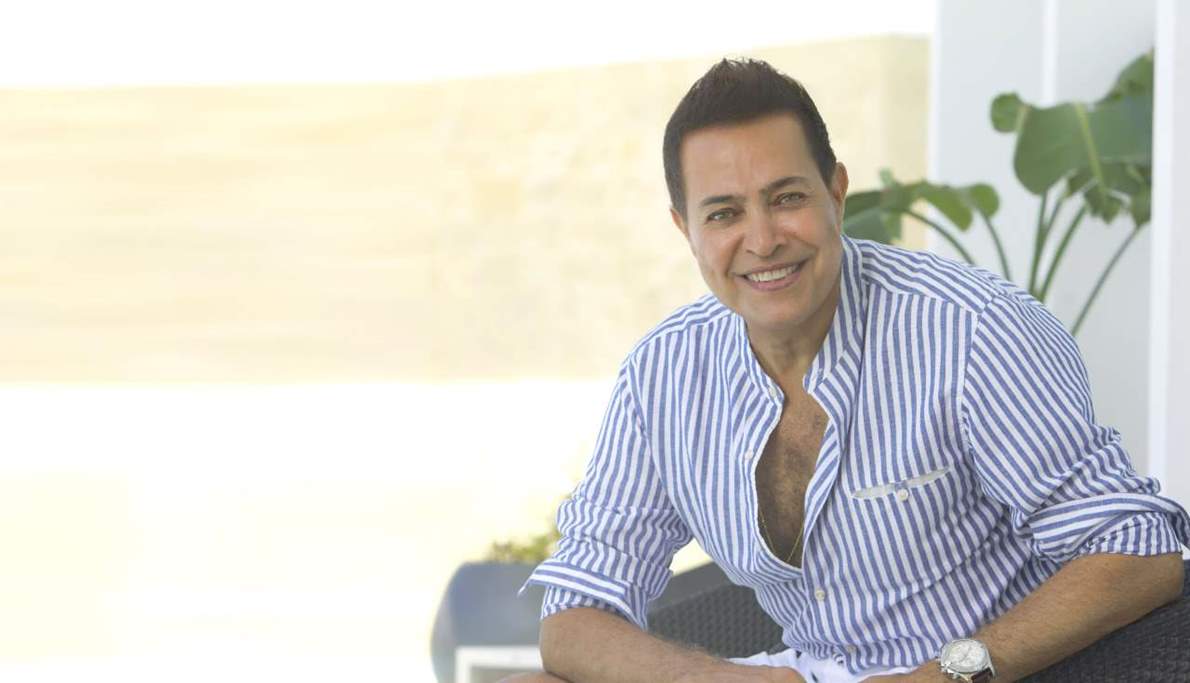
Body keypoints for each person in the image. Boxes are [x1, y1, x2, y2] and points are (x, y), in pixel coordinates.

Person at [505, 58, 1188, 683]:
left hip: (984, 671)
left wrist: (945, 675)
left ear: (836, 191)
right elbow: (575, 611)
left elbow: (1139, 549)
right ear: (686, 228)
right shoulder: (665, 372)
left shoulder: (972, 330)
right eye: (724, 213)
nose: (763, 240)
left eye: (786, 198)